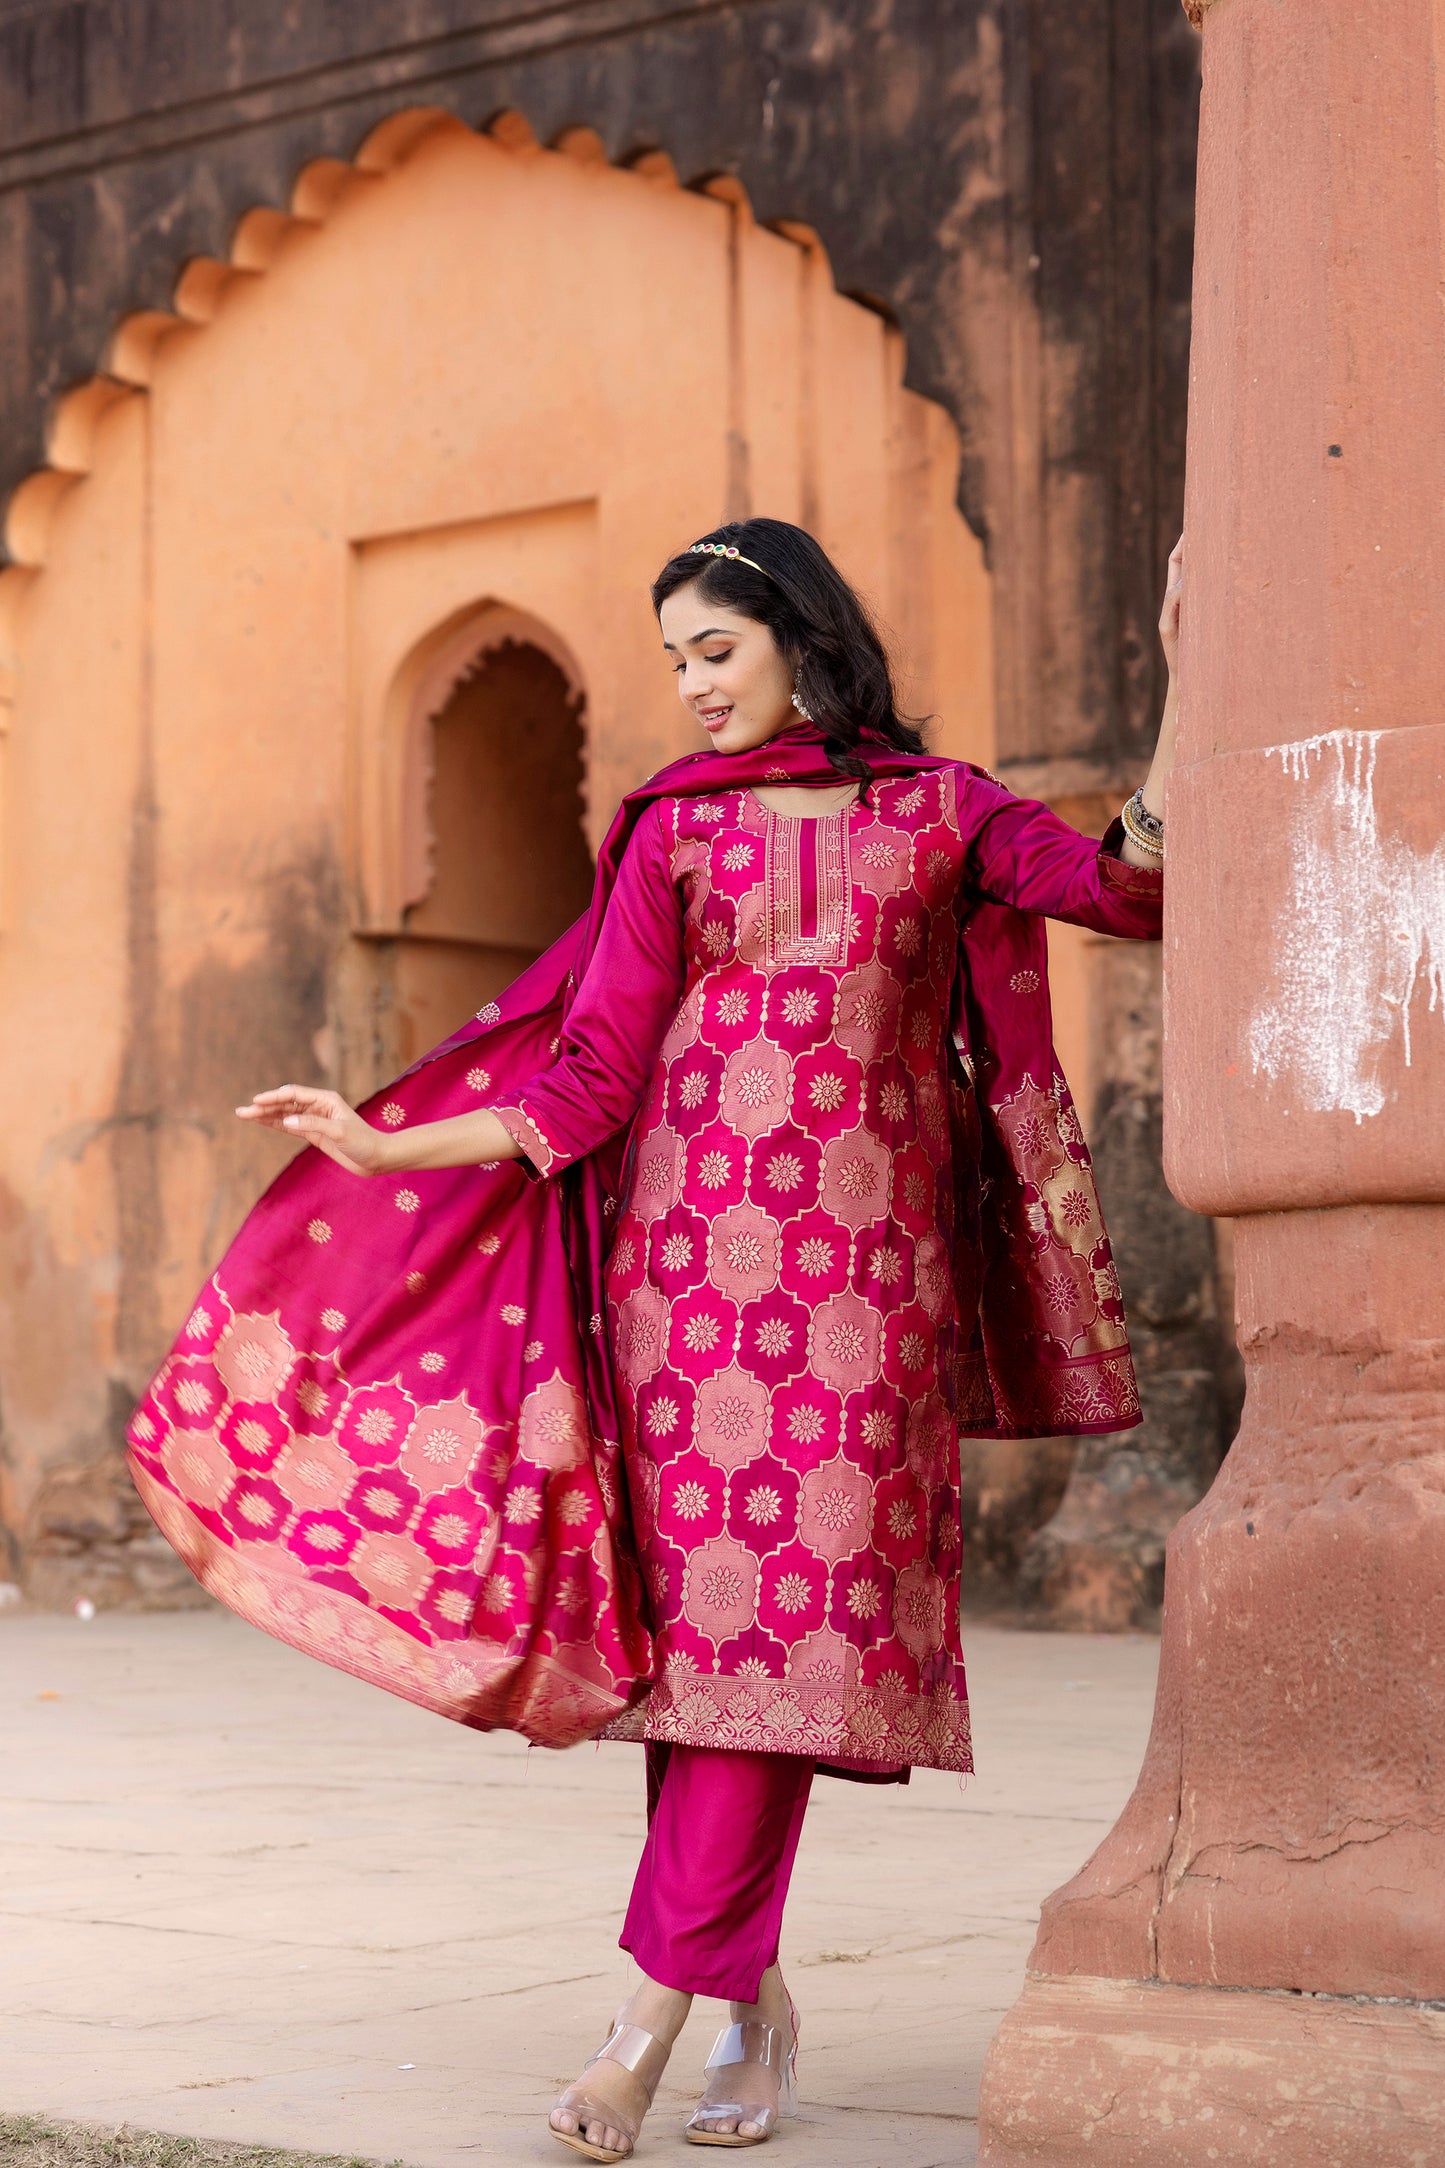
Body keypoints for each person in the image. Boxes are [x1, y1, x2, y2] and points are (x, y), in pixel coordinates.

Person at [214, 518, 1179, 2160]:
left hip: (862, 1305)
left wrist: (1180, 679)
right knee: (705, 1671)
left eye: (711, 651)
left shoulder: (939, 811)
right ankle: (746, 2002)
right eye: (670, 659)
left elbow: (1127, 891)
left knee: (772, 1660)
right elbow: (588, 1081)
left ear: (801, 639)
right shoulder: (671, 829)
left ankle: (645, 2026)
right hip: (680, 1297)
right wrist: (381, 1149)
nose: (688, 686)